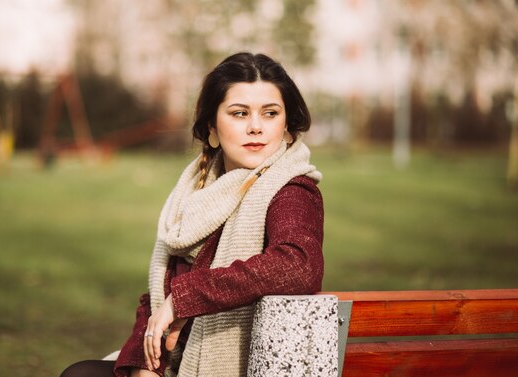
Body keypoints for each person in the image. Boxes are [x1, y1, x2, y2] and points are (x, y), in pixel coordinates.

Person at [60, 52, 324, 377]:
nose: (256, 127)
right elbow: (158, 297)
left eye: (270, 113)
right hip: (177, 363)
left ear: (286, 126)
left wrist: (185, 298)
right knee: (79, 374)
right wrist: (146, 367)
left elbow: (297, 266)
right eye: (239, 113)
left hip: (243, 365)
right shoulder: (196, 194)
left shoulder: (291, 190)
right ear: (212, 127)